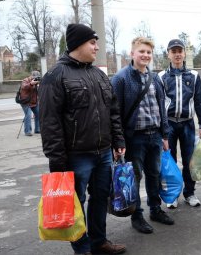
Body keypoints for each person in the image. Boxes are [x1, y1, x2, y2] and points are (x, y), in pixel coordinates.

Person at [39, 23, 126, 255]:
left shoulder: (99, 74)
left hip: (104, 153)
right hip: (76, 156)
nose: (97, 47)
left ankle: (99, 242)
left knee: (99, 199)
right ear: (78, 44)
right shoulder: (55, 76)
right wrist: (57, 162)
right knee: (75, 204)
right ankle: (82, 247)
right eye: (93, 42)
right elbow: (49, 123)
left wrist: (118, 141)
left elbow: (113, 111)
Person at [111, 37, 174, 235]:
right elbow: (115, 113)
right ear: (132, 54)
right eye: (142, 52)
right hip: (134, 139)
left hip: (154, 136)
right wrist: (118, 141)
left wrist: (164, 135)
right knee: (135, 178)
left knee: (154, 175)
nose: (145, 55)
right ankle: (137, 216)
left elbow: (162, 109)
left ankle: (155, 210)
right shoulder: (121, 78)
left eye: (148, 52)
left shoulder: (155, 78)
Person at [158, 39, 201, 209]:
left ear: (184, 53)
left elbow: (200, 100)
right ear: (168, 54)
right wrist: (161, 128)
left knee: (189, 161)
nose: (177, 54)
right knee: (170, 161)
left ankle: (190, 193)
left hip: (187, 124)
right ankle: (172, 195)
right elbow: (159, 102)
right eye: (174, 51)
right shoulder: (161, 76)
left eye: (180, 51)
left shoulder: (193, 75)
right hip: (169, 124)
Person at [19, 70, 41, 136]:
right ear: (31, 76)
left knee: (38, 114)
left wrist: (40, 85)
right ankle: (27, 131)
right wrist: (31, 83)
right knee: (28, 115)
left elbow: (39, 93)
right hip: (25, 101)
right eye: (34, 77)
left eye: (37, 77)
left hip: (34, 101)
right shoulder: (25, 80)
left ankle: (37, 129)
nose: (35, 78)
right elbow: (24, 87)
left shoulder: (37, 82)